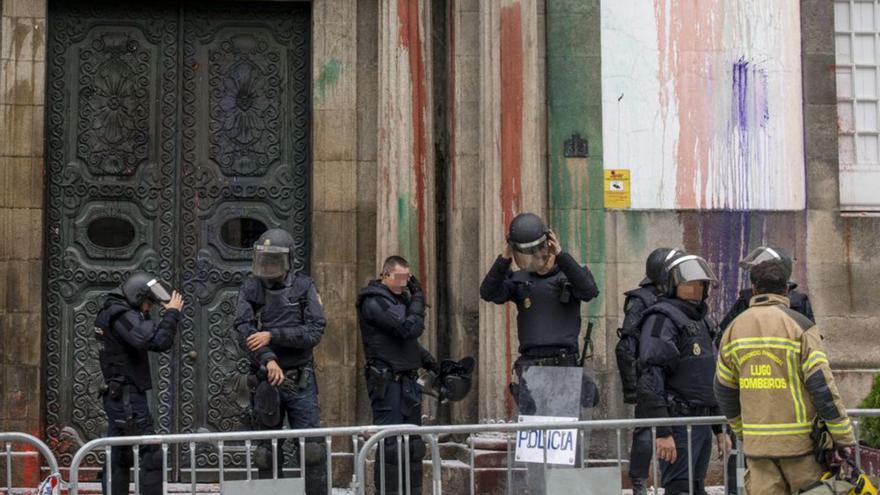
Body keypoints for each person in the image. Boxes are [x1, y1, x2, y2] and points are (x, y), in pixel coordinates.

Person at [714, 258, 854, 495]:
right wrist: (843, 437)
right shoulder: (800, 326)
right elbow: (822, 387)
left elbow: (723, 389)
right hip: (801, 449)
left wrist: (742, 430)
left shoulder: (733, 330)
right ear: (786, 289)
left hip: (759, 451)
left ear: (754, 289)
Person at [234, 228, 327, 494]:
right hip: (266, 379)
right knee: (266, 453)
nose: (268, 265)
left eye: (274, 260)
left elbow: (314, 331)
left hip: (299, 381)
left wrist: (273, 334)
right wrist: (269, 358)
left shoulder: (304, 286)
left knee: (312, 451)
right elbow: (244, 330)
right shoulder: (251, 287)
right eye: (264, 259)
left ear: (288, 261)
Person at [718, 245, 815, 494]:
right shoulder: (744, 303)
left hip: (768, 429)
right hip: (787, 434)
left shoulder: (798, 304)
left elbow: (723, 383)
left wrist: (741, 428)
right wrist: (841, 435)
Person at [636, 253, 729, 495]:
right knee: (679, 489)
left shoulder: (702, 322)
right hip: (677, 422)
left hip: (700, 422)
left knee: (696, 487)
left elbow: (708, 377)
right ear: (672, 285)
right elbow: (650, 376)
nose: (696, 289)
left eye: (701, 283)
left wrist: (719, 429)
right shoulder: (662, 319)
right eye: (689, 283)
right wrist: (664, 430)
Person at [94, 272, 184, 495]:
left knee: (119, 453)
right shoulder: (121, 315)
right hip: (126, 397)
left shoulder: (112, 312)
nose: (148, 308)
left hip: (119, 393)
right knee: (151, 453)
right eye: (147, 302)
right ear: (136, 297)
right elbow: (156, 341)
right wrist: (171, 313)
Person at [356, 255, 438, 495]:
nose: (404, 284)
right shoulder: (374, 302)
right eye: (399, 278)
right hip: (386, 383)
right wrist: (419, 298)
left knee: (413, 446)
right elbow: (407, 328)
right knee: (390, 446)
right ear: (385, 274)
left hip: (408, 384)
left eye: (407, 279)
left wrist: (431, 363)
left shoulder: (399, 301)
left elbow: (408, 344)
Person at [615, 247, 682, 495]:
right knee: (647, 430)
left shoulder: (678, 297)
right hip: (650, 375)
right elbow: (626, 347)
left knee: (677, 429)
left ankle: (674, 482)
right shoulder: (642, 299)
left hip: (674, 375)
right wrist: (633, 389)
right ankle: (639, 482)